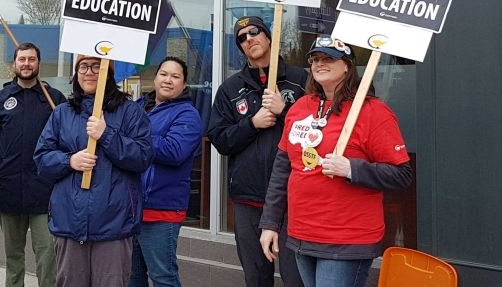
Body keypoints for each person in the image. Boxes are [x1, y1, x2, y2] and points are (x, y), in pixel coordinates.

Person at [259, 37, 413, 287]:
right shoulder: (300, 108)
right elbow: (282, 170)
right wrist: (270, 223)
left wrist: (351, 168)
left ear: (347, 66)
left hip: (346, 239)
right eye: (315, 59)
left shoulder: (373, 112)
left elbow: (401, 175)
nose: (319, 64)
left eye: (329, 58)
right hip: (301, 234)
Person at [34, 55, 153, 287]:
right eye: (83, 67)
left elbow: (142, 157)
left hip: (113, 225)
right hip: (69, 222)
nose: (89, 72)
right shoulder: (62, 113)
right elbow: (41, 159)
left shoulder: (130, 112)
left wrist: (106, 135)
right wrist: (70, 161)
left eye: (97, 67)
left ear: (109, 74)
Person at [206, 16, 306, 287]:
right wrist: (252, 124)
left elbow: (318, 134)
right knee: (256, 278)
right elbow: (220, 139)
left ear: (268, 36)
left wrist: (284, 112)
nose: (249, 39)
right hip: (248, 200)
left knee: (296, 278)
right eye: (241, 38)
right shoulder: (229, 89)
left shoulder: (301, 80)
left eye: (254, 32)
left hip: (292, 199)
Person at [0, 42, 66, 287]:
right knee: (14, 255)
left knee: (47, 254)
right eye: (22, 59)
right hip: (9, 186)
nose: (27, 64)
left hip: (44, 189)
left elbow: (67, 138)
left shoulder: (54, 99)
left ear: (39, 64)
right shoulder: (1, 98)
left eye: (31, 59)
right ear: (14, 64)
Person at [129, 56, 203, 287]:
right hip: (131, 208)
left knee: (163, 277)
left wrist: (136, 139)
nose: (168, 80)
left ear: (183, 84)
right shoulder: (138, 107)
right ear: (156, 76)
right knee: (132, 278)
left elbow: (174, 151)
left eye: (175, 76)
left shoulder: (187, 114)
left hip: (161, 209)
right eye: (164, 74)